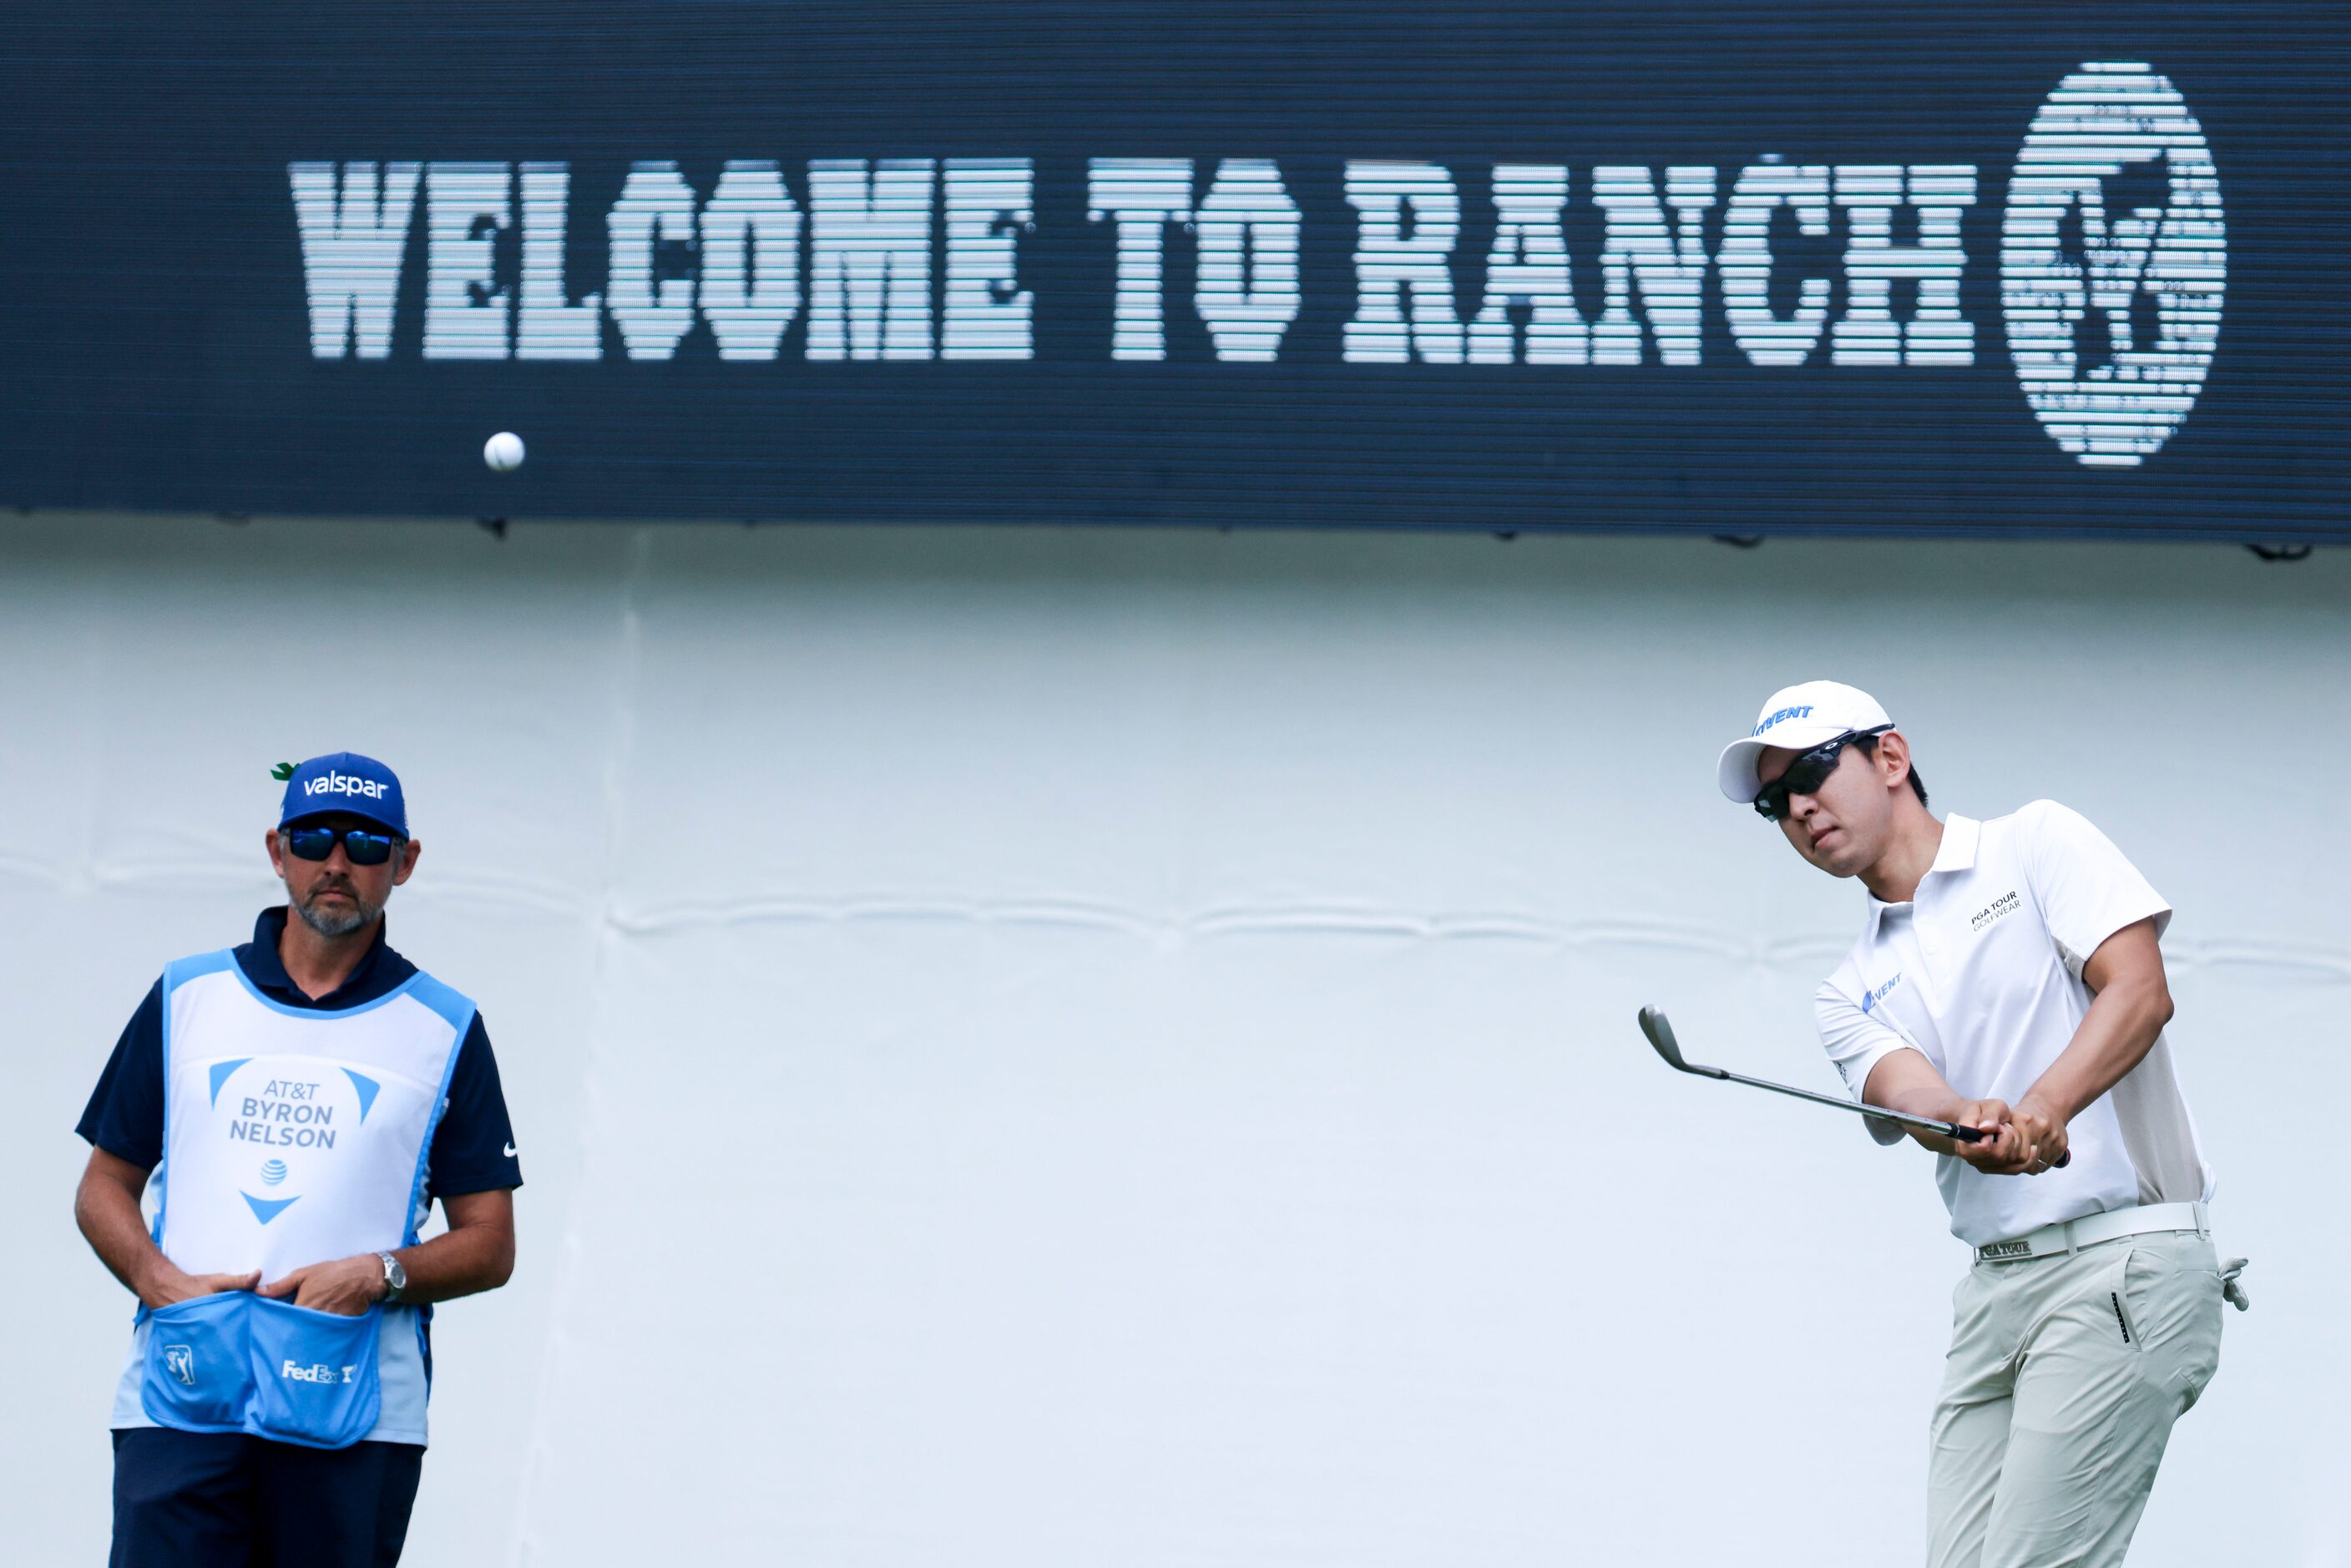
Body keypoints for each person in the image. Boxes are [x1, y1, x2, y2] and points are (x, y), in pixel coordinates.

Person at [1716, 681, 2246, 1568]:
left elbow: (2139, 992)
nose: (1797, 807)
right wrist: (1966, 1118)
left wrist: (2043, 1107)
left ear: (1889, 758)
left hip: (2122, 1266)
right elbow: (1910, 1097)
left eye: (1809, 771)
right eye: (1773, 802)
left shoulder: (2033, 842)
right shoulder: (1845, 991)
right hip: (1994, 1297)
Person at [73, 752, 523, 1567]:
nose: (338, 864)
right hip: (181, 1400)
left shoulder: (443, 1027)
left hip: (352, 1414)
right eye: (315, 840)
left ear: (405, 862)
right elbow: (105, 1183)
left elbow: (490, 1244)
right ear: (278, 852)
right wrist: (157, 1281)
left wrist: (378, 1275)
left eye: (367, 844)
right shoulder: (186, 997)